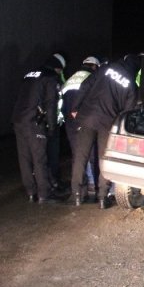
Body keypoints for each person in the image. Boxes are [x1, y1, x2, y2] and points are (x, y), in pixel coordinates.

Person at [69, 54, 140, 209]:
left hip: (86, 118)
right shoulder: (131, 85)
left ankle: (77, 195)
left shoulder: (105, 68)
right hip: (107, 124)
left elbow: (84, 86)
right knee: (104, 159)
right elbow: (128, 112)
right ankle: (102, 197)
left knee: (80, 157)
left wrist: (75, 107)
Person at [11, 54, 64, 204]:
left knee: (24, 158)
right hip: (34, 121)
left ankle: (31, 192)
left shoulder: (29, 75)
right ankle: (44, 194)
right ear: (57, 68)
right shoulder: (50, 77)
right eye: (60, 71)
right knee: (39, 158)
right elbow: (51, 103)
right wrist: (52, 127)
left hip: (18, 120)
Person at [61, 55, 101, 203]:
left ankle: (78, 192)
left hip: (70, 122)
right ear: (95, 67)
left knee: (77, 156)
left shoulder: (70, 78)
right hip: (86, 120)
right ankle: (94, 188)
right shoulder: (92, 78)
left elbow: (62, 102)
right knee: (91, 154)